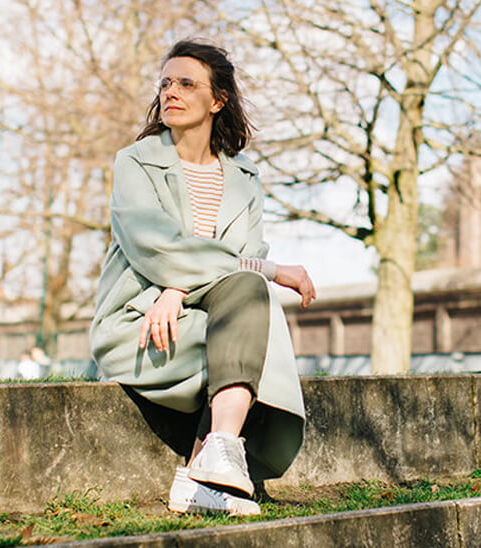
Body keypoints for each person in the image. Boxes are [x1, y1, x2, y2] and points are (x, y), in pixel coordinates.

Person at [89, 40, 316, 517]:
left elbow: (244, 256)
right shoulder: (135, 162)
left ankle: (209, 463)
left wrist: (179, 288)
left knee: (250, 306)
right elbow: (156, 244)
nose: (171, 91)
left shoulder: (244, 178)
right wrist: (275, 272)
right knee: (258, 319)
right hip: (143, 321)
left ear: (218, 101)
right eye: (166, 83)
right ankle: (212, 461)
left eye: (187, 83)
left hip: (205, 319)